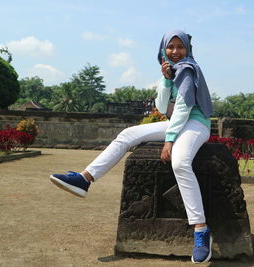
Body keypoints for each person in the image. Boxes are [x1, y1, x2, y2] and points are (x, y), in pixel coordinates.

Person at [49, 29, 214, 263]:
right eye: (171, 47)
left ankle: (201, 229)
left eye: (180, 47)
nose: (176, 52)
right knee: (127, 134)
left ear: (188, 49)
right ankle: (84, 179)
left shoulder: (188, 70)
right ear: (163, 49)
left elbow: (185, 107)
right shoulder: (171, 70)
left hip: (196, 123)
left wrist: (170, 140)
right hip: (176, 121)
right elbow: (161, 105)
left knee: (180, 160)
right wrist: (166, 80)